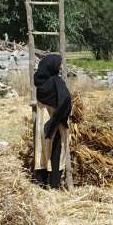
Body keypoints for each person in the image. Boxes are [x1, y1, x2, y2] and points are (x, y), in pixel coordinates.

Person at [33, 53, 72, 189]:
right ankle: (54, 186)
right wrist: (60, 117)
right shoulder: (57, 82)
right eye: (58, 64)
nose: (60, 67)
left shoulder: (39, 81)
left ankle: (40, 185)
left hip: (41, 124)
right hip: (55, 125)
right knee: (57, 153)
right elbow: (66, 99)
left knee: (42, 152)